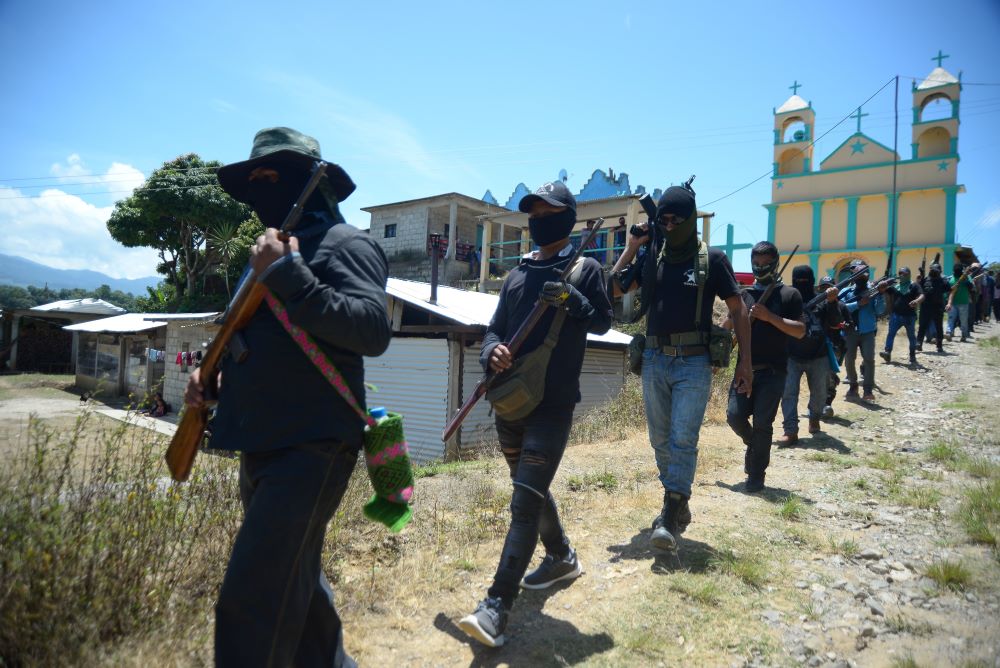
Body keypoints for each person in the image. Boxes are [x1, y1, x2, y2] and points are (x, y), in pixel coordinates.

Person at [184, 127, 391, 668]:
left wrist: (288, 274)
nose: (260, 188)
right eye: (253, 180)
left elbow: (372, 330)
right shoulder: (267, 253)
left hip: (313, 447)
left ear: (309, 181)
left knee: (251, 604)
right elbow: (256, 344)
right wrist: (214, 384)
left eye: (272, 175)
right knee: (300, 595)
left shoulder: (347, 244)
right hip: (261, 444)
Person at [458, 180, 613, 648]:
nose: (539, 217)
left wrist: (572, 299)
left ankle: (495, 607)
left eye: (548, 210)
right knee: (530, 490)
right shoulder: (516, 275)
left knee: (524, 501)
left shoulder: (585, 267)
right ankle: (562, 556)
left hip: (553, 404)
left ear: (567, 216)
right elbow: (492, 332)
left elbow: (604, 321)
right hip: (512, 399)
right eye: (534, 211)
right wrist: (494, 353)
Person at [608, 182, 752, 551]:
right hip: (655, 360)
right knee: (660, 439)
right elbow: (613, 290)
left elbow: (738, 310)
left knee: (683, 438)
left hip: (694, 363)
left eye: (676, 221)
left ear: (689, 220)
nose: (668, 227)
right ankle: (679, 498)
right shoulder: (652, 254)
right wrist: (631, 248)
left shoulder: (712, 260)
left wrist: (744, 364)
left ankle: (670, 513)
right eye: (664, 220)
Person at [725, 243, 805, 490]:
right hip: (743, 369)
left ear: (776, 263)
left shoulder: (790, 295)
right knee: (734, 416)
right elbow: (726, 325)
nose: (760, 268)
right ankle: (754, 443)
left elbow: (800, 331)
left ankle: (756, 474)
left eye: (765, 264)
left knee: (763, 423)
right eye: (756, 264)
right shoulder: (743, 294)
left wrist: (769, 317)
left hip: (774, 372)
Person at [779, 266, 841, 444]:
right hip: (791, 355)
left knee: (820, 394)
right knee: (789, 393)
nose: (801, 284)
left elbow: (836, 322)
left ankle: (814, 418)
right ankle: (790, 430)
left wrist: (832, 302)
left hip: (818, 355)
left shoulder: (822, 299)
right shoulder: (788, 298)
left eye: (805, 280)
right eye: (798, 280)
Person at [838, 260, 888, 402]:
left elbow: (880, 311)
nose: (861, 277)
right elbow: (840, 309)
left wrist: (880, 294)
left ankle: (867, 390)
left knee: (869, 360)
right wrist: (858, 304)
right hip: (850, 331)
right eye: (857, 273)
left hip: (867, 331)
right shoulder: (845, 291)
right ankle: (853, 385)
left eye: (863, 274)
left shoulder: (874, 289)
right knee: (849, 360)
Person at [819, 275, 851, 418]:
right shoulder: (815, 306)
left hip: (835, 346)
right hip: (817, 347)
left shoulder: (842, 306)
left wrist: (844, 325)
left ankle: (827, 403)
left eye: (829, 287)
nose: (827, 291)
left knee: (830, 376)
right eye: (824, 288)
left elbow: (851, 323)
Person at [880, 266, 923, 366]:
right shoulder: (895, 286)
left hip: (909, 316)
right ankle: (887, 352)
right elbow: (882, 290)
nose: (902, 275)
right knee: (891, 334)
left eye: (904, 274)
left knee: (911, 336)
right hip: (896, 316)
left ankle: (912, 356)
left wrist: (916, 301)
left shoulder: (914, 285)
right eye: (900, 273)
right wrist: (885, 282)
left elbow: (922, 295)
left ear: (909, 274)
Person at [917, 262, 948, 354]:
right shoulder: (926, 279)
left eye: (936, 271)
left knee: (939, 327)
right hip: (925, 306)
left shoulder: (943, 280)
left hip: (937, 306)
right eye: (933, 270)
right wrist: (922, 274)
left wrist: (942, 279)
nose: (934, 272)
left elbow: (948, 288)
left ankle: (939, 345)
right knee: (922, 326)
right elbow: (919, 287)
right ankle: (919, 343)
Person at [945, 263, 972, 342]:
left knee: (963, 320)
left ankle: (964, 334)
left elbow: (972, 287)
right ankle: (949, 332)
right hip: (952, 302)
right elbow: (947, 290)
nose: (956, 272)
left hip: (964, 302)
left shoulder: (967, 277)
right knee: (951, 318)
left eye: (958, 271)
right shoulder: (950, 278)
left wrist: (967, 282)